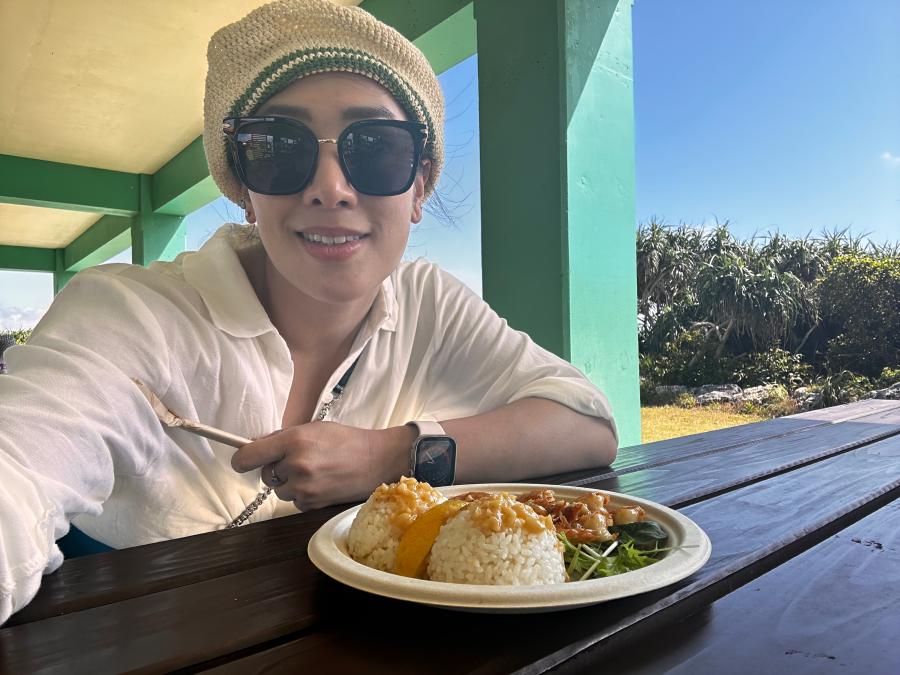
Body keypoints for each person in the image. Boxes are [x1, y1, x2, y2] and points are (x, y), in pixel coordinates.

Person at [0, 0, 617, 624]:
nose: (330, 188)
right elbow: (17, 469)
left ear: (420, 186)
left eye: (375, 148)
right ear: (244, 189)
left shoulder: (428, 303)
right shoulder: (129, 315)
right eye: (277, 148)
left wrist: (392, 455)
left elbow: (587, 422)